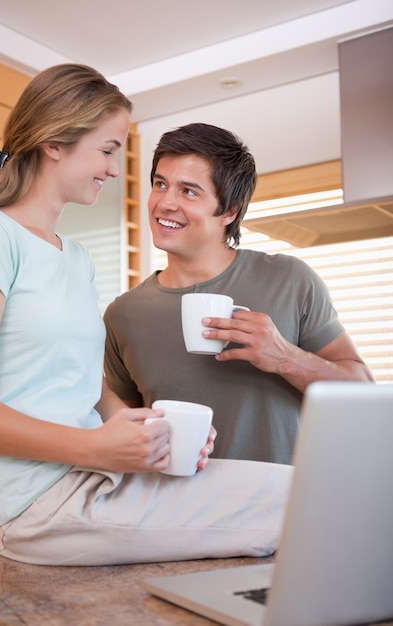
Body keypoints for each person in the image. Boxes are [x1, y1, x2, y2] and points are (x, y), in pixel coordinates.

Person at [0, 65, 292, 567]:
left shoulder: (74, 257)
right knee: (302, 506)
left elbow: (83, 384)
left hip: (97, 477)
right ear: (55, 142)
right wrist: (98, 449)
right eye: (106, 150)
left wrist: (148, 431)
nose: (113, 169)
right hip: (48, 504)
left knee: (305, 487)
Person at [103, 123, 374, 465]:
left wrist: (285, 357)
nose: (165, 203)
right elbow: (123, 428)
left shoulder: (290, 279)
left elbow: (362, 390)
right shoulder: (122, 315)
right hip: (172, 512)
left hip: (280, 508)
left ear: (229, 212)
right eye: (160, 184)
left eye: (188, 191)